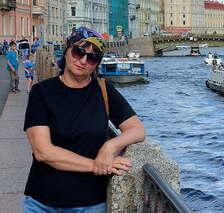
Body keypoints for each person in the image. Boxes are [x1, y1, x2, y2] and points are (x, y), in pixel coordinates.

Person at [22, 27, 146, 212]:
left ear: (97, 64)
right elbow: (43, 152)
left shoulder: (104, 90)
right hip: (42, 202)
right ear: (66, 50)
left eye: (93, 57)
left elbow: (137, 129)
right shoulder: (42, 92)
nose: (84, 60)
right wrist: (99, 165)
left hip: (90, 204)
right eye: (78, 51)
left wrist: (109, 146)